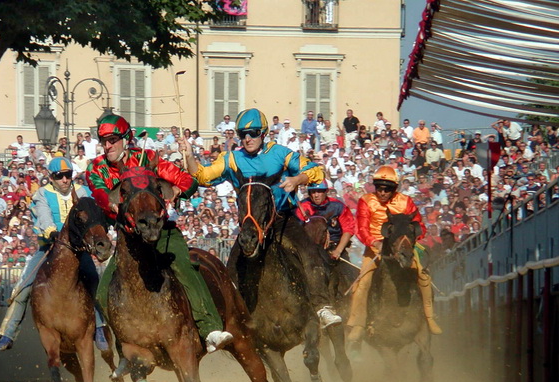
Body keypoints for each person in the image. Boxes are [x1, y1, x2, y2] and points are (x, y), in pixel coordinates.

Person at [181, 108, 342, 328]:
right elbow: (202, 176)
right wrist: (189, 156)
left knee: (310, 253)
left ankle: (322, 308)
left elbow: (316, 171)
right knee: (231, 270)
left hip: (282, 219)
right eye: (243, 134)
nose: (247, 138)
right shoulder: (231, 158)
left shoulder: (279, 153)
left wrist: (296, 180)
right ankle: (228, 322)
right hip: (250, 222)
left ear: (263, 133)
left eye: (253, 133)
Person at [86, 114, 233, 352]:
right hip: (130, 240)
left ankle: (209, 329)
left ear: (126, 139)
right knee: (103, 293)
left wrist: (176, 189)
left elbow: (188, 181)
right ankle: (126, 346)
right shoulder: (96, 168)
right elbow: (100, 192)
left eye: (112, 140)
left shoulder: (148, 158)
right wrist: (112, 205)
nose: (107, 146)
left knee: (185, 268)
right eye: (104, 141)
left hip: (162, 232)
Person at [0, 157, 102, 351]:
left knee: (94, 280)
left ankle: (101, 328)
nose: (64, 180)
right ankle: (8, 333)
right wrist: (51, 231)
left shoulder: (84, 192)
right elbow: (43, 214)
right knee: (24, 286)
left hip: (80, 250)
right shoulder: (42, 194)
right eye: (59, 176)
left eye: (67, 175)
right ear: (51, 178)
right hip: (50, 248)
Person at [346, 166, 443, 344]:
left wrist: (408, 241)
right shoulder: (365, 200)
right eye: (379, 188)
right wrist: (374, 242)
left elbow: (418, 226)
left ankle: (429, 318)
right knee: (363, 282)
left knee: (423, 277)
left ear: (394, 189)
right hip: (375, 248)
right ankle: (358, 323)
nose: (382, 192)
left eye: (387, 189)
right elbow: (360, 227)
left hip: (402, 248)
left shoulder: (406, 202)